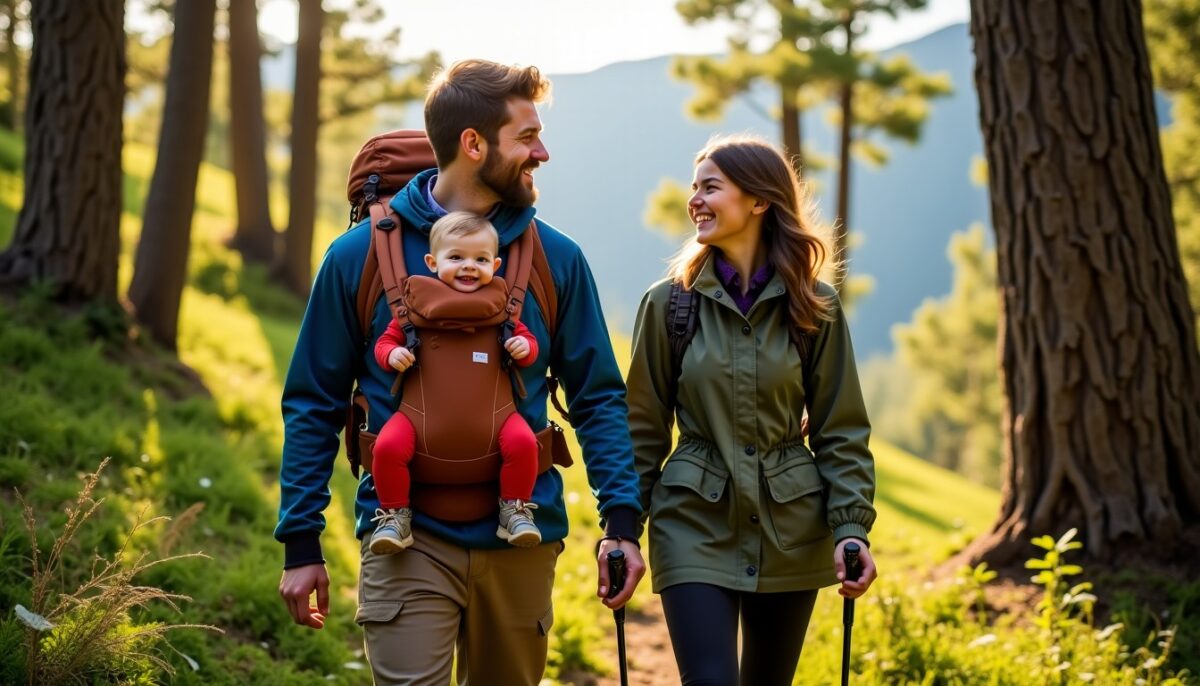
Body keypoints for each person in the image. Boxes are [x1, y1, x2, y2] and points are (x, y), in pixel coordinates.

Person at [275, 59, 646, 685]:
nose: (543, 153)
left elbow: (599, 398)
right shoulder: (361, 254)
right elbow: (313, 399)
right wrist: (301, 542)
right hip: (405, 539)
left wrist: (623, 523)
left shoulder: (557, 258)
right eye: (527, 138)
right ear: (473, 145)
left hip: (523, 541)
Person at [625, 134, 879, 685]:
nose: (694, 199)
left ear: (760, 200)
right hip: (691, 521)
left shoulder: (815, 306)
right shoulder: (669, 304)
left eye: (710, 187)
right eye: (693, 188)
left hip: (792, 527)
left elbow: (841, 428)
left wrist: (851, 527)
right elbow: (642, 429)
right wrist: (622, 528)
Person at [369, 211, 544, 554]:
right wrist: (391, 355)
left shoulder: (503, 310)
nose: (468, 266)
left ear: (495, 265)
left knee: (524, 444)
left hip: (497, 418)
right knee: (387, 448)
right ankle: (394, 515)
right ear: (432, 262)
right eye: (456, 257)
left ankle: (515, 510)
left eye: (480, 259)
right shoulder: (414, 307)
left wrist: (524, 348)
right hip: (417, 418)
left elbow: (530, 346)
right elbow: (384, 343)